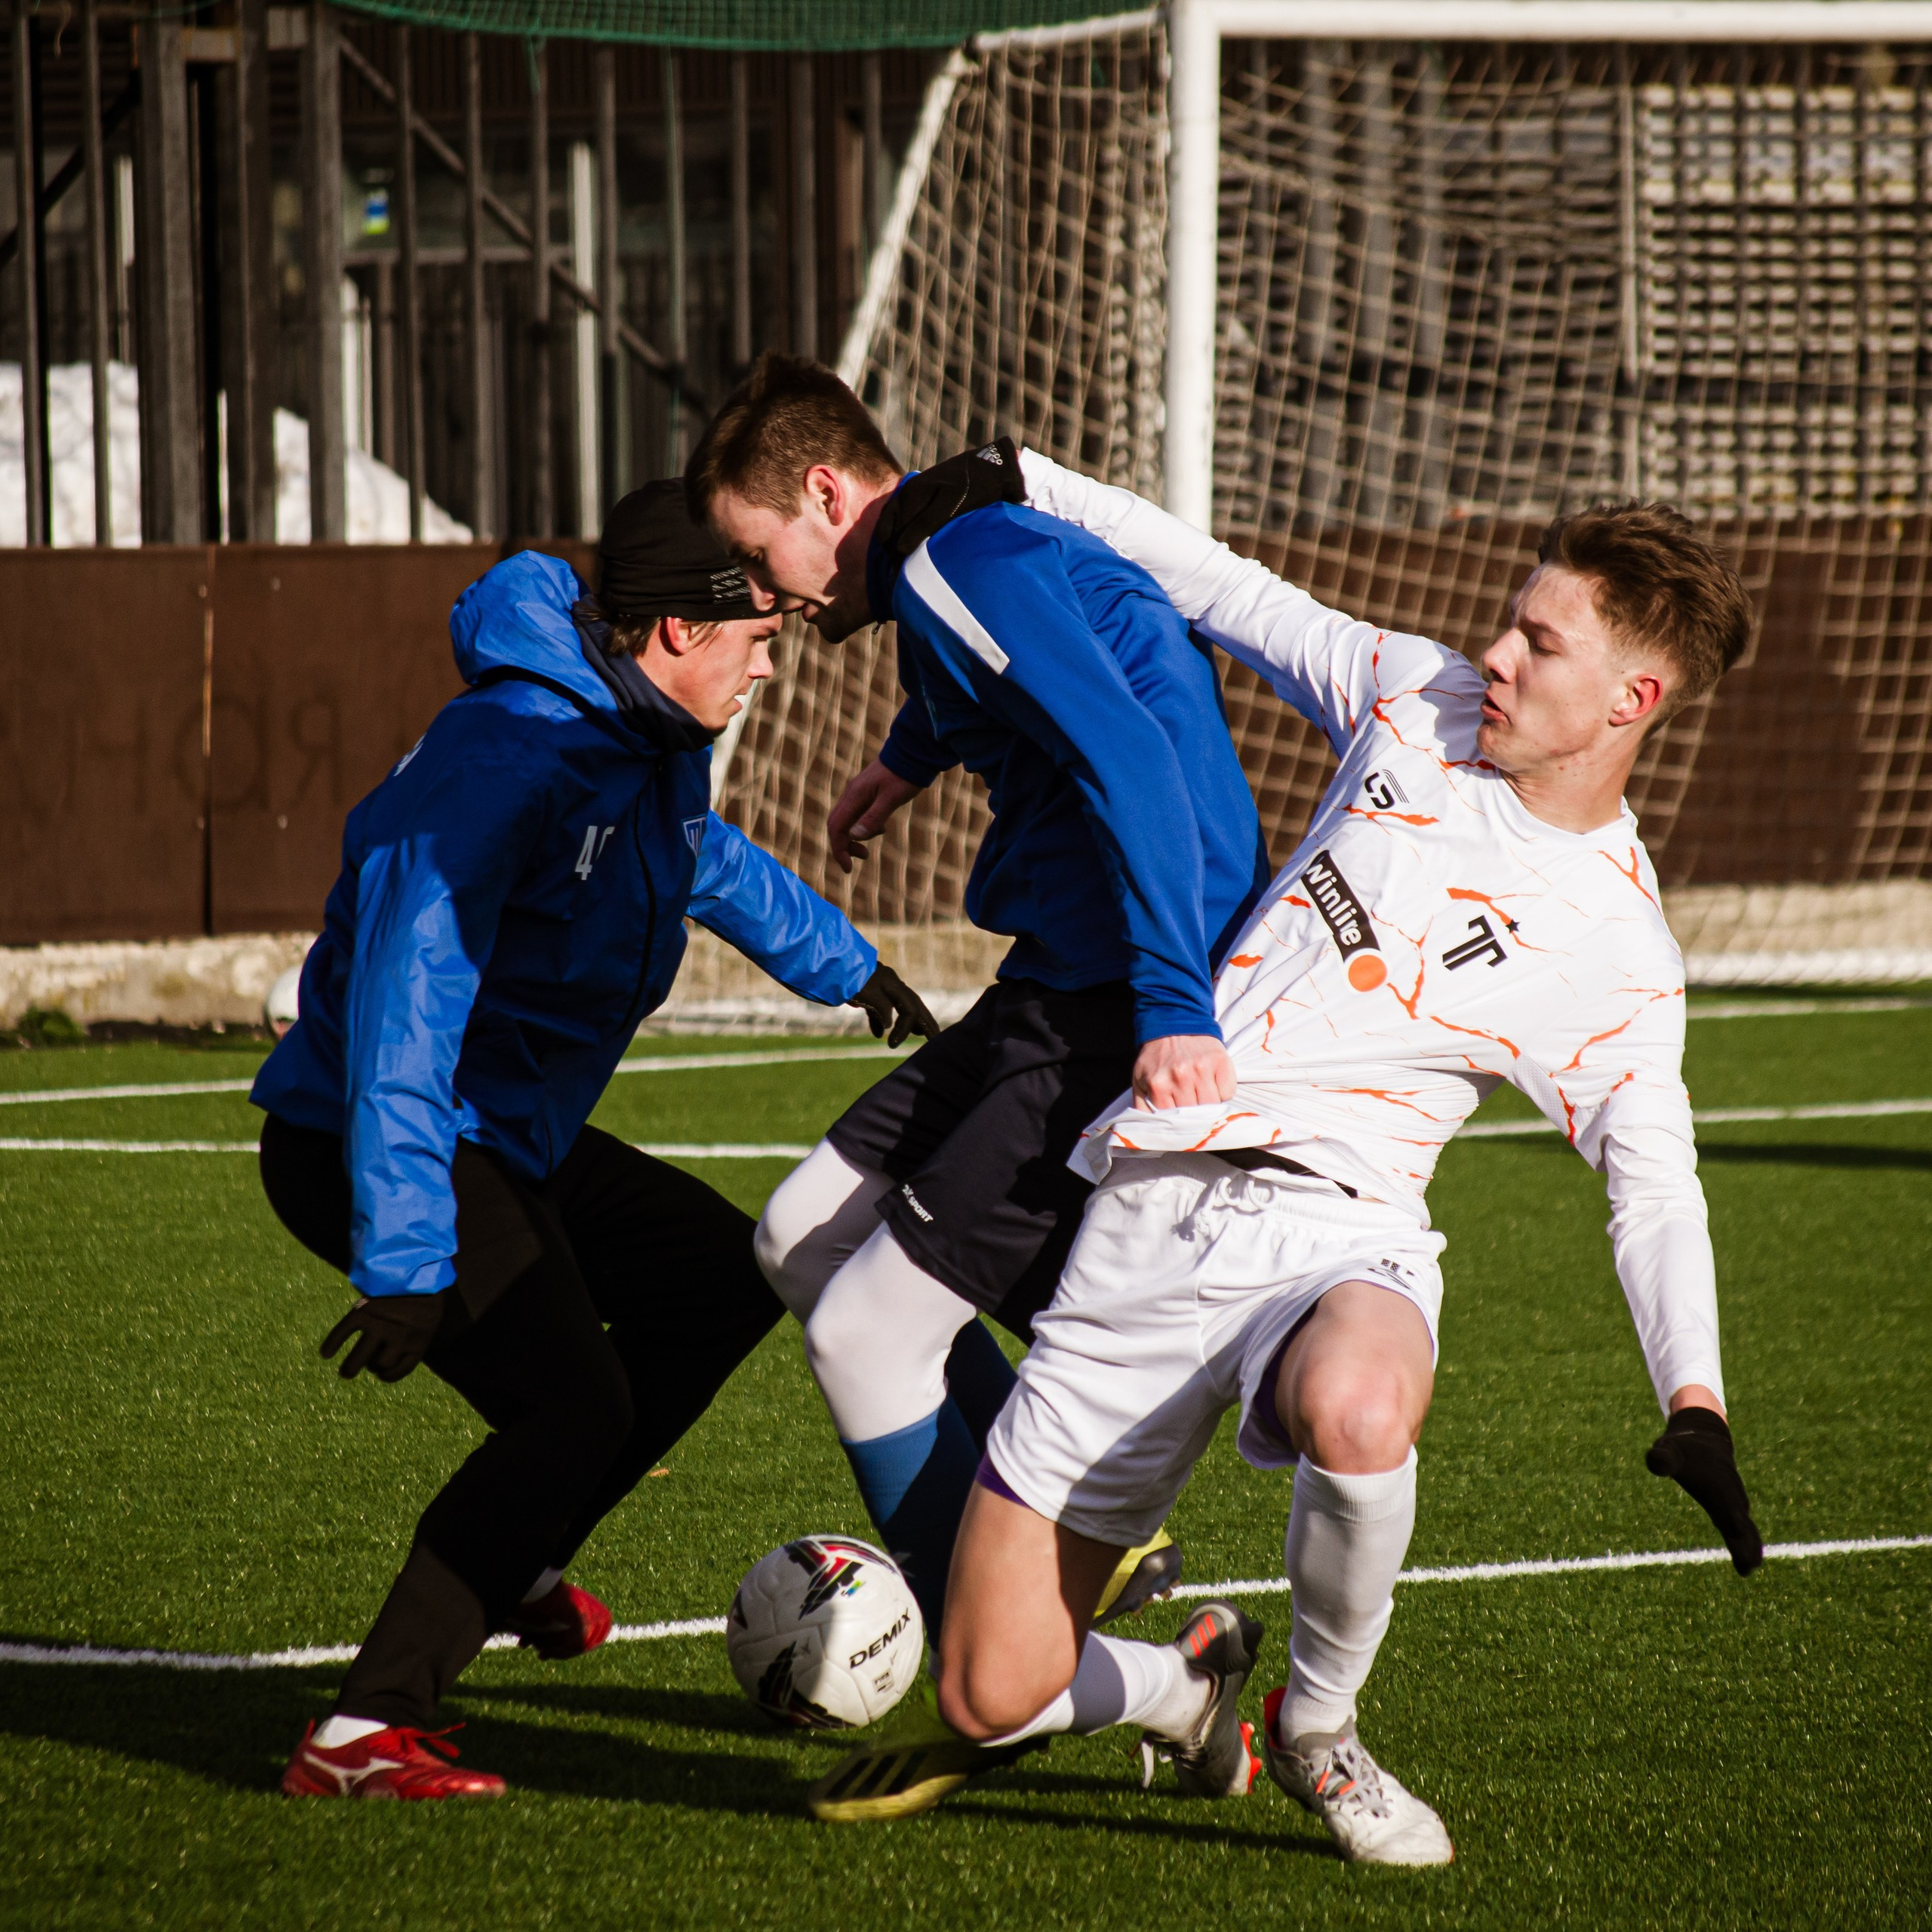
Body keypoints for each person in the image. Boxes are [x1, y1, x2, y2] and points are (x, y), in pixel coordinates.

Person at [809, 454, 1767, 1860]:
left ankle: (1322, 1729)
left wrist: (1698, 1395)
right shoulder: (1415, 698)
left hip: (1338, 1232)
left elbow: (1656, 1180)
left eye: (1538, 644)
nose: (1494, 654)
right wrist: (1029, 478)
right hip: (1142, 1224)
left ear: (1634, 701)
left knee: (1361, 1409)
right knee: (987, 1691)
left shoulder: (1621, 952)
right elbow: (1226, 587)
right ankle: (1189, 1678)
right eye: (1511, 620)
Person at [254, 480, 934, 1802]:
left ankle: (519, 1547)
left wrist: (848, 968)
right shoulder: (502, 761)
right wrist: (405, 1254)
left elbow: (704, 863)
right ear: (675, 631)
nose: (771, 660)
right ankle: (364, 1731)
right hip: (374, 1131)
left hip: (506, 1131)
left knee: (720, 1278)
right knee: (575, 1407)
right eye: (758, 635)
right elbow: (404, 1008)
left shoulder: (646, 736)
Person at [686, 358, 1273, 1637]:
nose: (762, 591)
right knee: (798, 1238)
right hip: (1058, 980)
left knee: (862, 1340)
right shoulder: (952, 558)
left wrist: (1175, 1004)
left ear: (828, 492)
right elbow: (1041, 676)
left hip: (1114, 998)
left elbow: (1132, 748)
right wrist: (907, 759)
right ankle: (1075, 1542)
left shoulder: (960, 565)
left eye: (757, 548)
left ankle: (997, 1645)